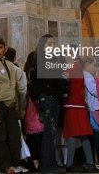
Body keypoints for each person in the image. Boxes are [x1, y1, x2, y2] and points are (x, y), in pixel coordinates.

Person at [0, 35, 26, 174]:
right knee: (0, 137)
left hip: (11, 105)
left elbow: (16, 87)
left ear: (5, 48)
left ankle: (15, 163)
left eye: (0, 47)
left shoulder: (10, 65)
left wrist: (20, 107)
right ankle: (3, 166)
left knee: (14, 136)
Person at [26, 35, 67, 174]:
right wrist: (65, 81)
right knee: (49, 133)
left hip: (49, 98)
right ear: (43, 46)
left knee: (51, 133)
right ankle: (47, 166)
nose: (53, 46)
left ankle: (50, 163)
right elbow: (53, 79)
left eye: (54, 44)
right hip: (48, 98)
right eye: (50, 44)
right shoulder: (44, 60)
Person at [63, 57, 99, 173]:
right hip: (78, 105)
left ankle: (70, 164)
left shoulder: (72, 68)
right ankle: (89, 163)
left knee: (74, 136)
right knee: (84, 135)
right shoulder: (78, 69)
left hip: (72, 105)